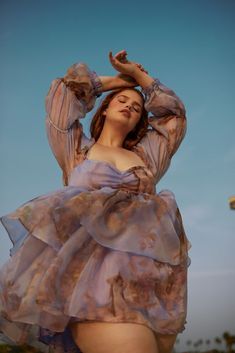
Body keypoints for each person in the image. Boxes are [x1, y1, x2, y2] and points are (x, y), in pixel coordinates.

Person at [0, 50, 191, 353]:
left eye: (138, 107)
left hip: (148, 287)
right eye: (122, 100)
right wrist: (119, 79)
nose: (130, 105)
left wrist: (142, 78)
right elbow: (64, 92)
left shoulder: (148, 158)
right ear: (103, 109)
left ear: (141, 120)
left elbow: (174, 117)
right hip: (91, 284)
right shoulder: (76, 149)